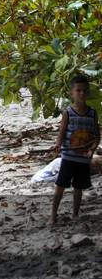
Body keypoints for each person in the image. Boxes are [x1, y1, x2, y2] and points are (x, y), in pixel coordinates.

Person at [49, 74, 99, 225]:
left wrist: (92, 149)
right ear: (72, 93)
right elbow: (62, 133)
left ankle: (75, 214)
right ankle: (53, 215)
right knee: (60, 187)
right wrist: (58, 144)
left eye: (84, 90)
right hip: (68, 157)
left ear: (88, 92)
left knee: (78, 188)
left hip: (83, 159)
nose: (82, 93)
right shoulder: (68, 113)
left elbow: (96, 136)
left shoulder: (92, 113)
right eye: (78, 90)